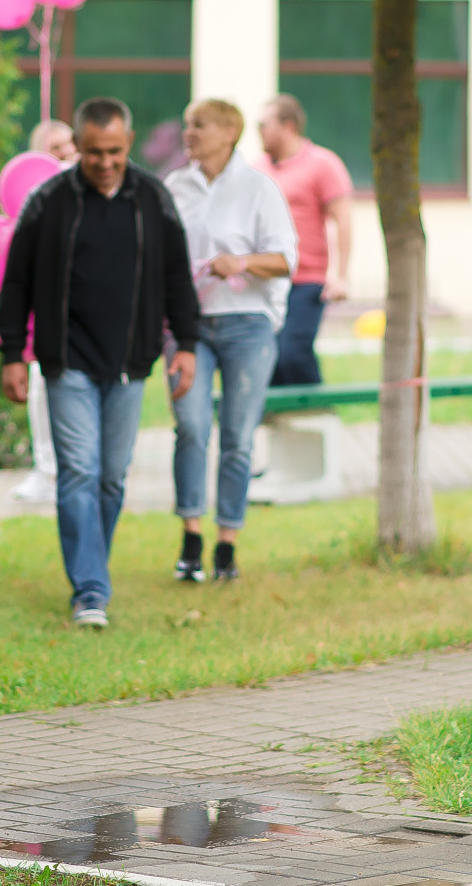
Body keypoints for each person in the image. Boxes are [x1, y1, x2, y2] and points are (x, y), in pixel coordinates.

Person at [0, 97, 201, 629]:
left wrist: (187, 343)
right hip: (68, 362)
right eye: (93, 153)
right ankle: (90, 589)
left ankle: (93, 573)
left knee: (112, 477)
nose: (105, 162)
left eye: (113, 152)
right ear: (78, 147)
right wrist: (12, 353)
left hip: (131, 362)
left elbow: (178, 274)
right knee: (79, 472)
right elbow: (15, 281)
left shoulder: (152, 198)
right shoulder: (50, 201)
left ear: (128, 145)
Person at [165, 99, 297, 583]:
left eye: (198, 124)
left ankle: (227, 545)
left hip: (248, 324)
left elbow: (286, 259)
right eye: (187, 123)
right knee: (192, 427)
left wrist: (238, 262)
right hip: (189, 328)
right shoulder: (175, 187)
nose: (189, 132)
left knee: (238, 438)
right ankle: (191, 537)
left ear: (229, 132)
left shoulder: (259, 188)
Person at [253, 94, 354, 386]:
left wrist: (341, 276)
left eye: (264, 124)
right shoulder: (256, 169)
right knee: (267, 358)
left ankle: (317, 412)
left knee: (292, 353)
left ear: (288, 125)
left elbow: (343, 219)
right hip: (266, 278)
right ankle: (285, 421)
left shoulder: (322, 164)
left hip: (306, 279)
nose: (258, 131)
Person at [12, 119, 79, 504]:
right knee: (42, 388)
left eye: (71, 144)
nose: (68, 153)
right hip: (47, 309)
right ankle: (47, 470)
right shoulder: (35, 195)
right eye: (57, 148)